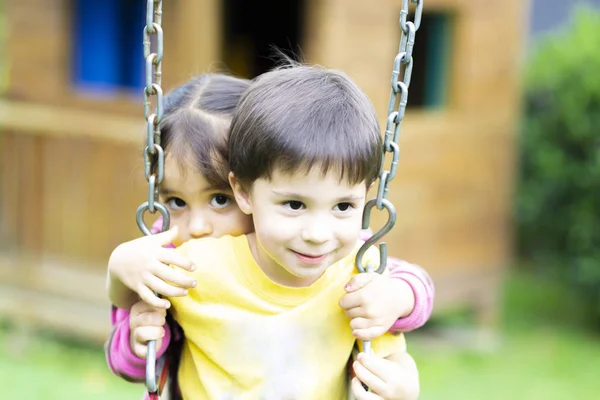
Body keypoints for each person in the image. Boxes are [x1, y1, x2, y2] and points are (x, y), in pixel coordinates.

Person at [106, 70, 433, 399]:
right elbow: (129, 362)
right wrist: (120, 277)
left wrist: (399, 298)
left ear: (247, 190)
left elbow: (403, 281)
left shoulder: (333, 252)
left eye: (220, 200)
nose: (198, 227)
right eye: (176, 202)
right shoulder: (172, 258)